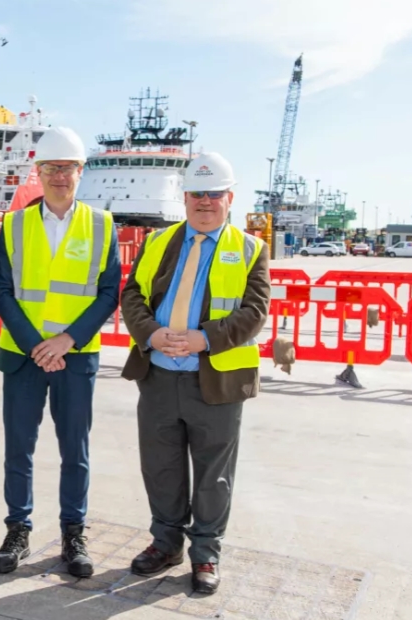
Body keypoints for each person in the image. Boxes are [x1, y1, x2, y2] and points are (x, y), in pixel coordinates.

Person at [119, 152, 270, 594]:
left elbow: (255, 310)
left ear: (230, 199)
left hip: (216, 381)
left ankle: (205, 554)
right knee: (161, 468)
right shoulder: (158, 242)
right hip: (160, 374)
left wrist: (206, 338)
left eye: (214, 195)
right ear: (184, 197)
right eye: (197, 194)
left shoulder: (249, 248)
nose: (205, 202)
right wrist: (151, 333)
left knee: (213, 475)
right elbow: (133, 295)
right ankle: (165, 543)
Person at [0, 126, 121, 578]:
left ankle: (73, 532)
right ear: (37, 171)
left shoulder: (102, 226)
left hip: (76, 357)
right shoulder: (14, 224)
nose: (60, 176)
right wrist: (36, 345)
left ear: (80, 171)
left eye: (68, 168)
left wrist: (67, 340)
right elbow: (2, 290)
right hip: (24, 356)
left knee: (75, 450)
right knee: (18, 450)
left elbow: (108, 293)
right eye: (51, 168)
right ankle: (18, 530)